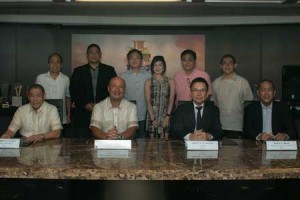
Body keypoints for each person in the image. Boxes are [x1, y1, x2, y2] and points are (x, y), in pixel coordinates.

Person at [70, 44, 117, 138]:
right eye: (91, 52)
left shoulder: (109, 70)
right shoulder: (78, 71)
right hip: (83, 113)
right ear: (87, 55)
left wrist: (102, 104)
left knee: (103, 142)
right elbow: (73, 91)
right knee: (82, 145)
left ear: (100, 55)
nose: (94, 55)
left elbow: (114, 89)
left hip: (105, 112)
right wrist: (85, 104)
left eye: (97, 52)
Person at [212, 54, 254, 138]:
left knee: (236, 151)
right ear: (220, 66)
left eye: (230, 63)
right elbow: (213, 103)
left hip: (237, 126)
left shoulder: (243, 82)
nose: (227, 65)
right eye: (224, 63)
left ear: (235, 65)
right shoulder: (215, 83)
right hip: (219, 126)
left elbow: (249, 103)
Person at [120, 49, 151, 138]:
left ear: (141, 60)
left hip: (144, 115)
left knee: (143, 143)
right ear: (128, 61)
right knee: (128, 142)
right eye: (131, 58)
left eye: (137, 58)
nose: (134, 60)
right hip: (127, 116)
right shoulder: (122, 77)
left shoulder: (149, 76)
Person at [35, 53, 71, 126]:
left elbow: (68, 97)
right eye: (52, 62)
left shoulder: (66, 79)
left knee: (59, 137)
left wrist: (69, 115)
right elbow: (35, 97)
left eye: (58, 62)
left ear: (61, 65)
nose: (55, 64)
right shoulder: (40, 78)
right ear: (48, 65)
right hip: (43, 117)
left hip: (61, 117)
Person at [144, 56, 175, 139]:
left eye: (160, 65)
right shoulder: (148, 82)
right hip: (152, 116)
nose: (157, 67)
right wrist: (152, 119)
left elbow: (171, 101)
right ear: (152, 67)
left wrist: (167, 117)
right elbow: (148, 102)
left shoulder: (171, 81)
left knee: (165, 143)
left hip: (165, 116)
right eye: (155, 65)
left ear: (164, 67)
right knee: (151, 146)